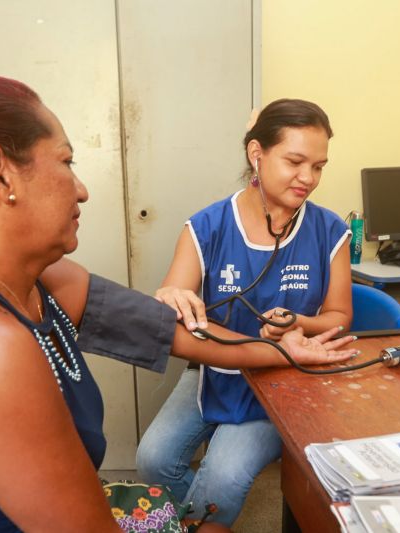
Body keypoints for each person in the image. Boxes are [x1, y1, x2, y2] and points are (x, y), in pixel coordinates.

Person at [0, 71, 358, 532]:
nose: (81, 189)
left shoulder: (46, 279)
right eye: (67, 161)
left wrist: (291, 353)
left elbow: (178, 332)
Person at [136, 99, 354, 526]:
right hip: (213, 371)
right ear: (257, 154)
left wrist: (299, 322)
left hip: (284, 377)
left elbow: (339, 317)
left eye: (319, 166)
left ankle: (200, 521)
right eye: (295, 161)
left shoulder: (330, 232)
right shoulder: (206, 226)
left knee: (222, 476)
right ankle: (199, 523)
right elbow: (175, 297)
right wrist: (172, 298)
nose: (308, 178)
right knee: (152, 461)